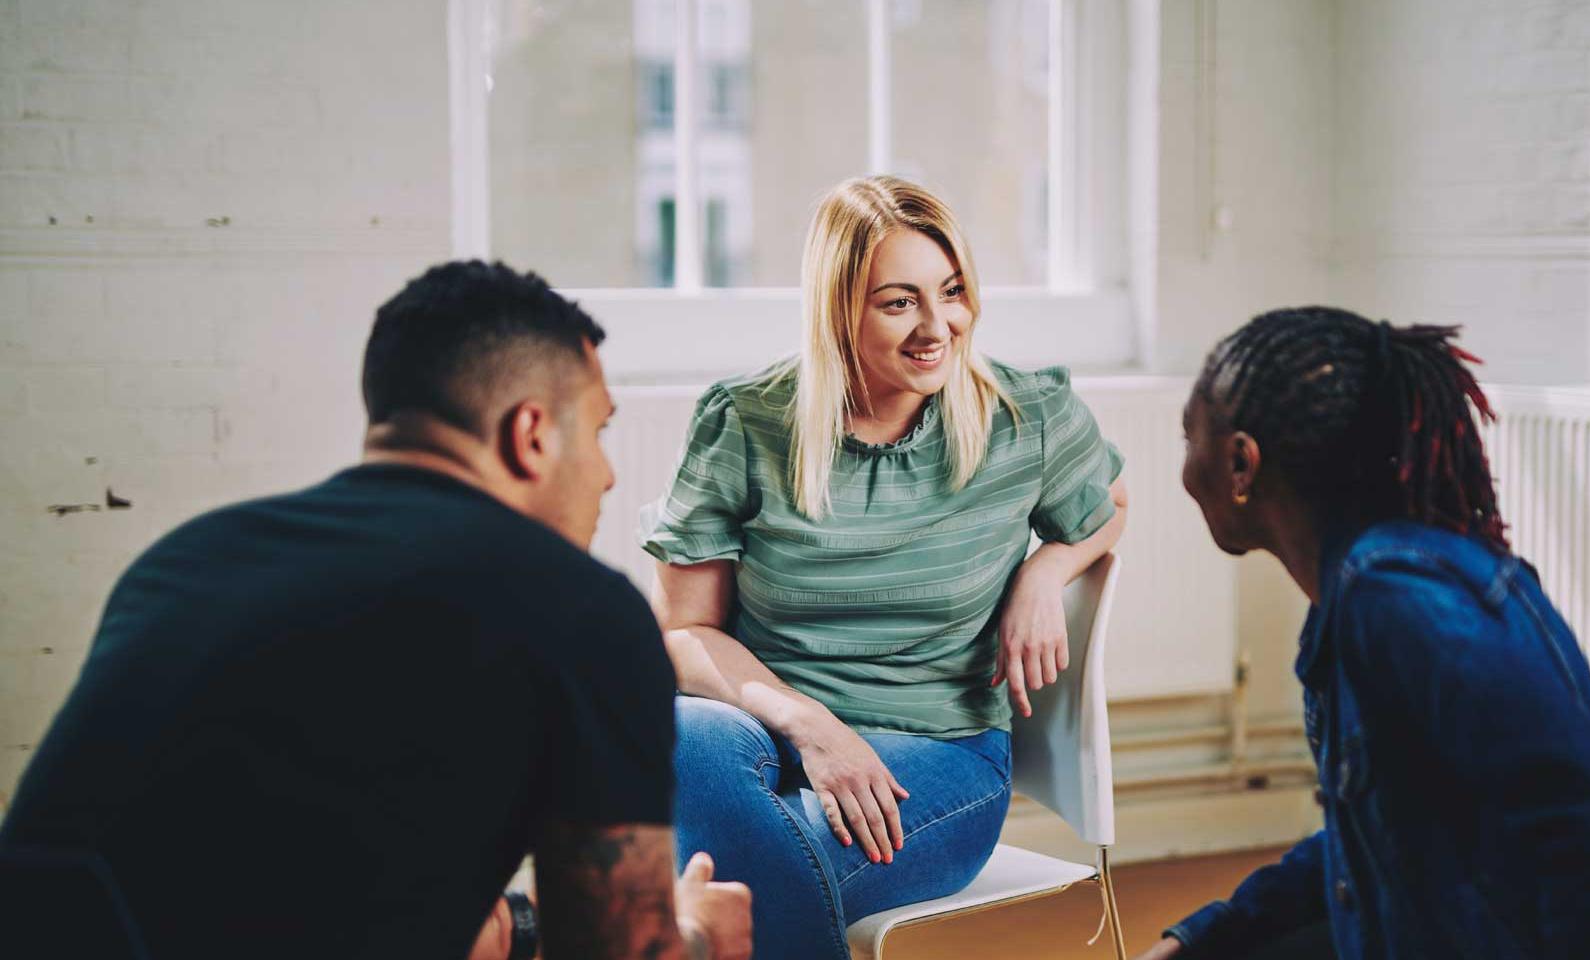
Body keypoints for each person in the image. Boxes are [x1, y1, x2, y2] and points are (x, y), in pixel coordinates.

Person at [0, 261, 751, 960]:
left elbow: (264, 889)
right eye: (598, 431)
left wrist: (519, 931)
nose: (610, 474)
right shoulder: (582, 611)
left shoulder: (188, 559)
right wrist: (698, 936)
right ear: (530, 435)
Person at [1145, 307, 1590, 960]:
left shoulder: (1396, 597)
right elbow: (1370, 839)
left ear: (1240, 462)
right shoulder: (1359, 594)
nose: (1183, 468)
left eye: (1186, 437)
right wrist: (1205, 936)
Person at [644, 175, 1128, 960]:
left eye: (953, 292)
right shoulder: (745, 421)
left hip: (939, 753)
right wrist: (813, 725)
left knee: (742, 876)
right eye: (899, 302)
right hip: (767, 729)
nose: (939, 327)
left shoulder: (1026, 417)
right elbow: (685, 630)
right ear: (838, 308)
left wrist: (1046, 572)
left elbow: (1112, 504)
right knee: (686, 733)